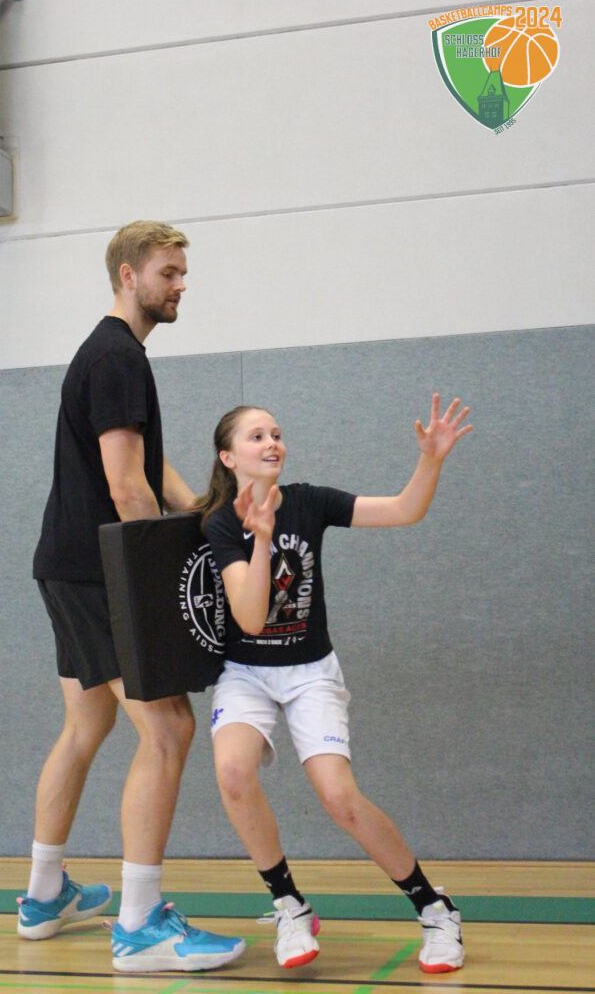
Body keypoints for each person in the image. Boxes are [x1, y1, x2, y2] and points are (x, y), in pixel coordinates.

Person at [21, 220, 245, 974]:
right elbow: (125, 488)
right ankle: (140, 926)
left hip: (68, 566)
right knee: (170, 727)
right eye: (168, 273)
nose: (180, 285)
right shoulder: (117, 356)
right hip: (97, 575)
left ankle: (43, 897)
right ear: (128, 275)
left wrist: (204, 514)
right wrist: (157, 590)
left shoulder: (112, 354)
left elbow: (147, 467)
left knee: (85, 724)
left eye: (183, 274)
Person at [196, 396, 471, 973]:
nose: (272, 443)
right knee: (232, 773)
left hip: (309, 672)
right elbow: (250, 619)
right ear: (228, 457)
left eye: (276, 433)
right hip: (246, 672)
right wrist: (261, 539)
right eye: (256, 436)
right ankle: (289, 905)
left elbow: (404, 510)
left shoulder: (309, 502)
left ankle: (435, 908)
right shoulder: (220, 524)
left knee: (340, 798)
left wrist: (431, 460)